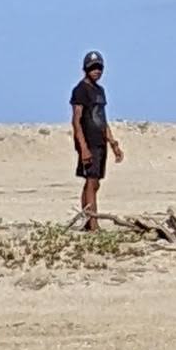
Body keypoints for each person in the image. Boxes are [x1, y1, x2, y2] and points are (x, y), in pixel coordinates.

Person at [70, 50, 122, 227]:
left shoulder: (100, 91)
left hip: (101, 142)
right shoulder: (80, 90)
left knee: (95, 182)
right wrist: (83, 147)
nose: (96, 71)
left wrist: (113, 143)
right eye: (93, 67)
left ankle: (87, 218)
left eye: (99, 67)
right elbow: (76, 121)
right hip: (89, 142)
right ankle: (93, 224)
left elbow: (102, 119)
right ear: (85, 69)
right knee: (91, 182)